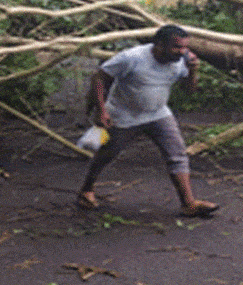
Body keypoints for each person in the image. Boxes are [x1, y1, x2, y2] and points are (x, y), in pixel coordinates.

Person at [77, 24, 219, 218]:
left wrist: (193, 71)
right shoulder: (132, 58)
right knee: (108, 153)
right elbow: (100, 78)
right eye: (177, 47)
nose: (183, 51)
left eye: (185, 47)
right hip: (123, 115)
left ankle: (189, 204)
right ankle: (87, 190)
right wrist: (101, 110)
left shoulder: (181, 61)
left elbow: (189, 91)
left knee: (177, 154)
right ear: (159, 45)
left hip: (158, 114)